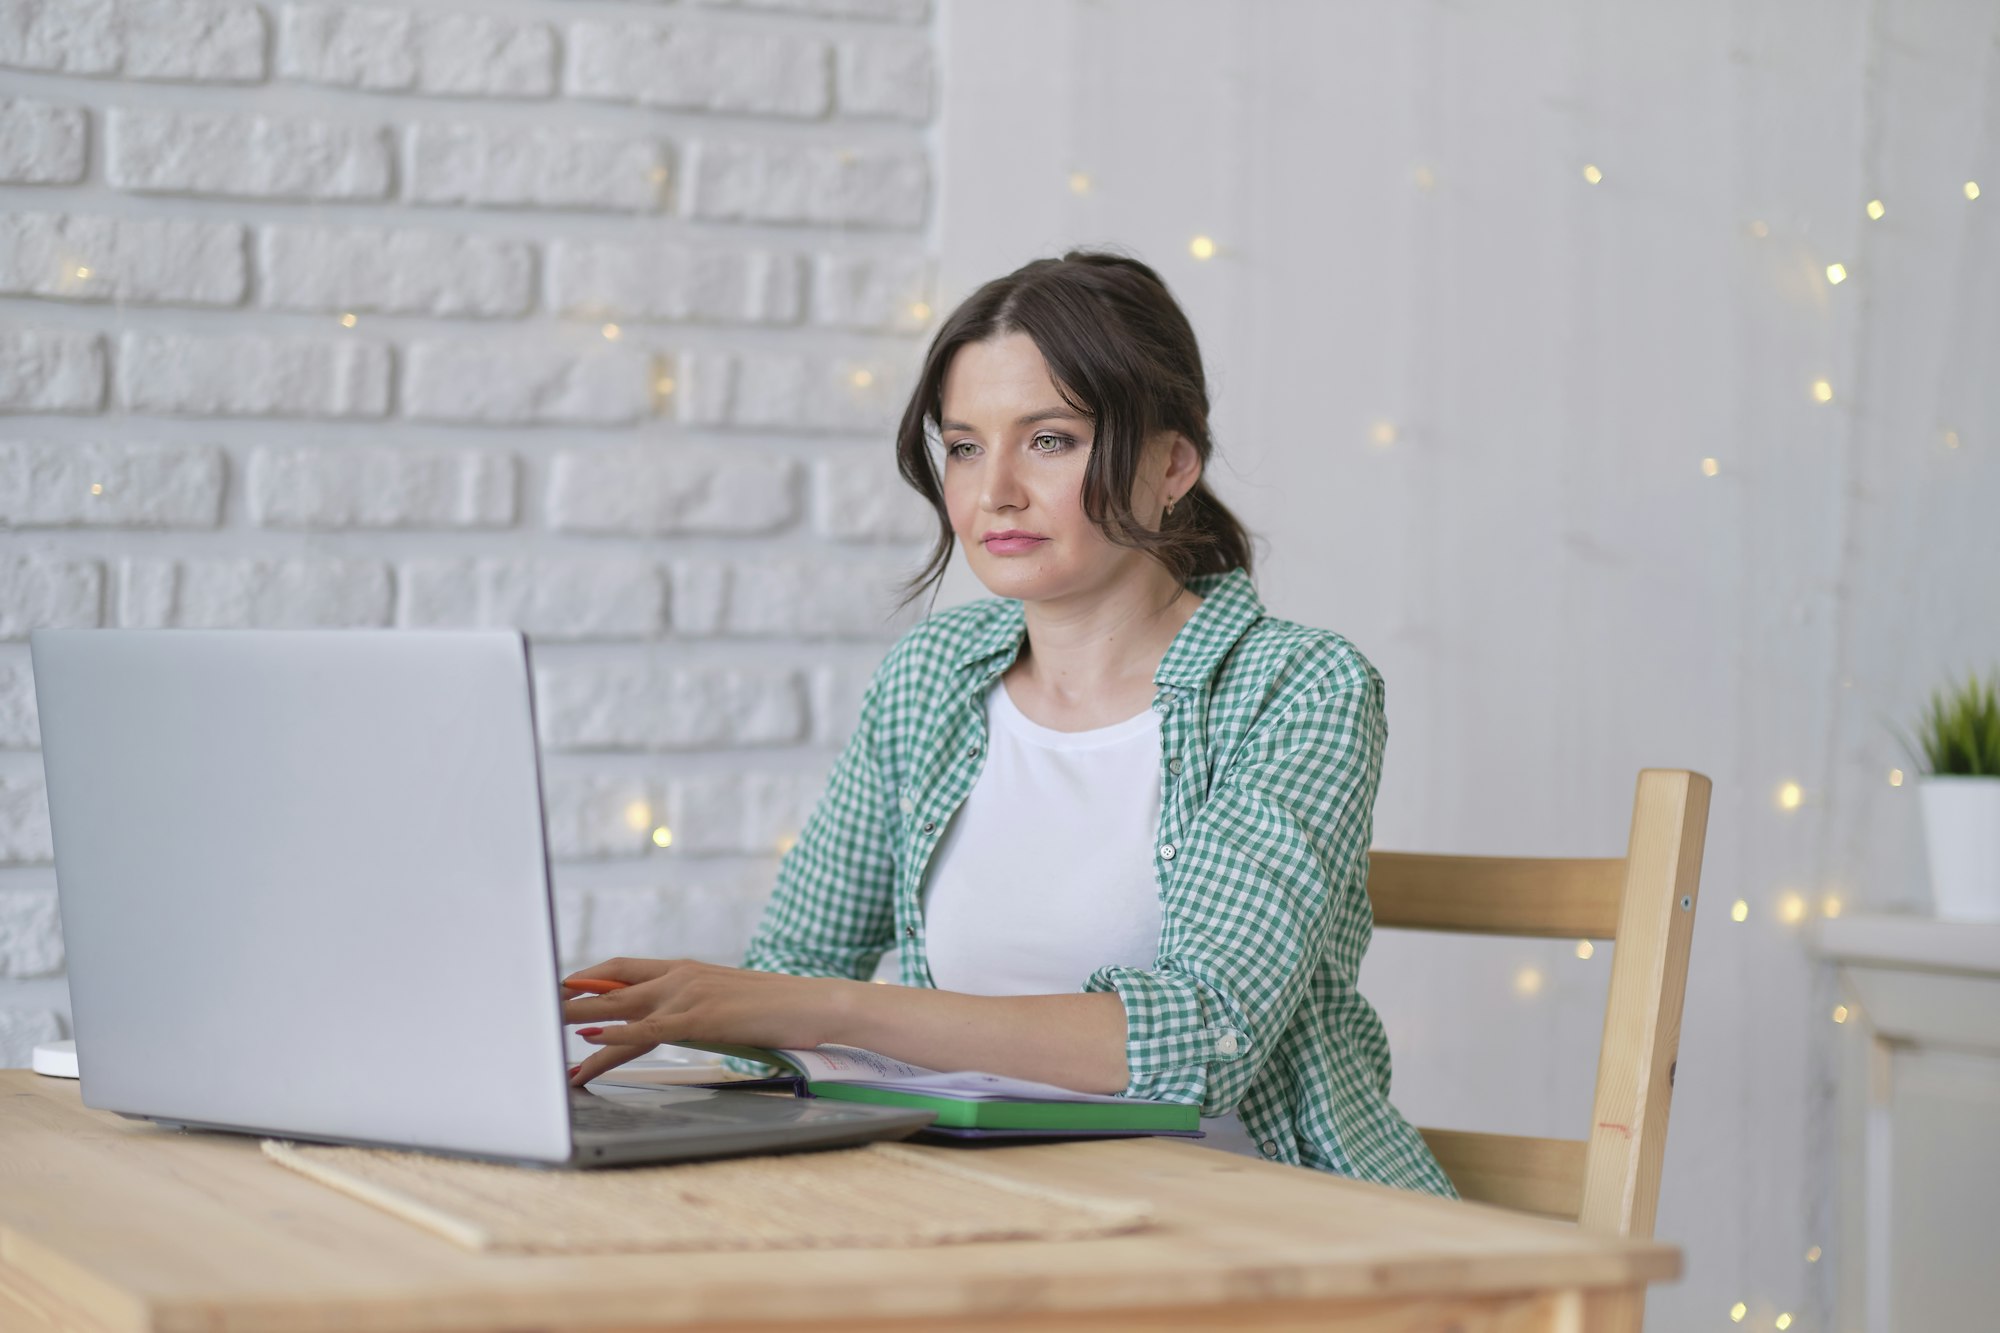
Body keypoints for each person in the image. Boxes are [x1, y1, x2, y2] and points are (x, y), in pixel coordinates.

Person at [560, 250, 1455, 1196]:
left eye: (1052, 440)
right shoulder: (932, 679)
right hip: (982, 1200)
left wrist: (827, 1010)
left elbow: (1206, 1037)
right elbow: (790, 964)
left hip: (1254, 1213)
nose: (995, 494)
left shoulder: (1297, 687)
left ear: (1173, 462)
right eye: (964, 445)